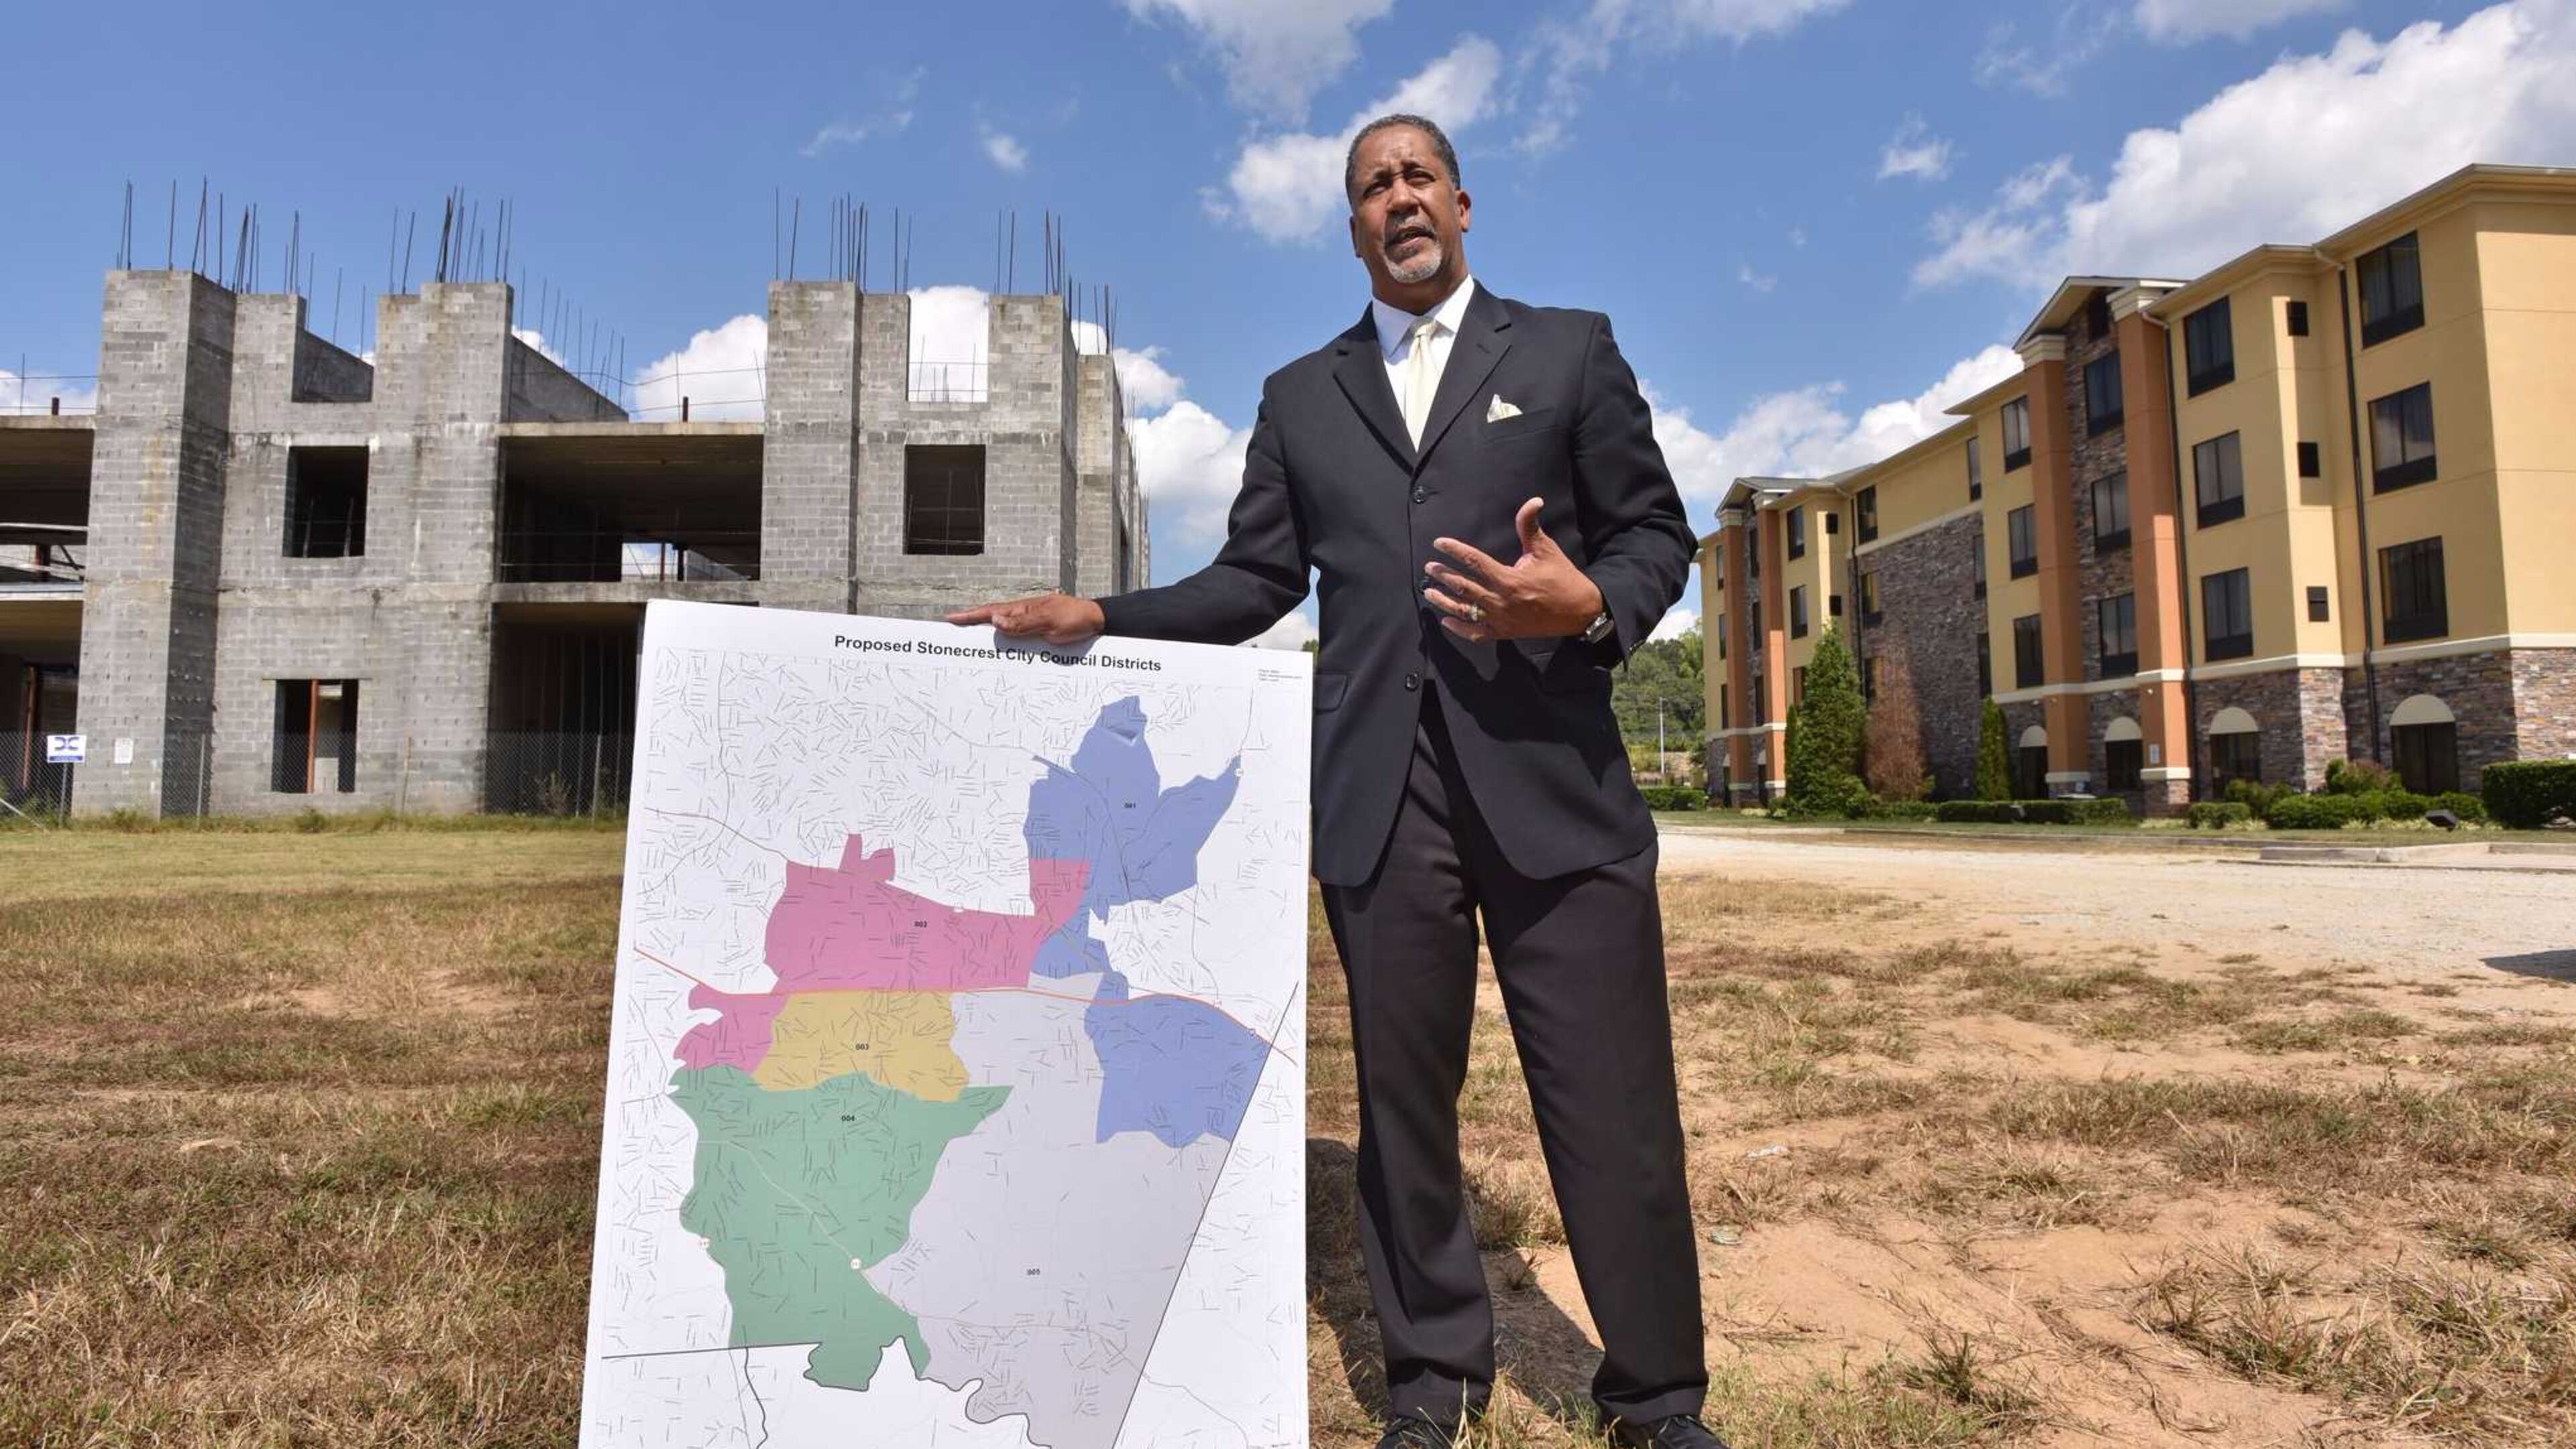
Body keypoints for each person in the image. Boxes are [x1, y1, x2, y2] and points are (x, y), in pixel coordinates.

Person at [949, 113, 1723, 1449]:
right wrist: (1104, 613)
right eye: (1373, 186)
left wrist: (1588, 600)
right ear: (1352, 225)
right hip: (1379, 799)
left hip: (1558, 791)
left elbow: (1662, 532)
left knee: (1615, 1109)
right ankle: (1431, 1382)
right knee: (1401, 1111)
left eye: (1419, 176)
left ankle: (1655, 1399)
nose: (1399, 198)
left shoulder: (1568, 351)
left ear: (1465, 205)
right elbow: (1253, 583)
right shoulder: (1304, 398)